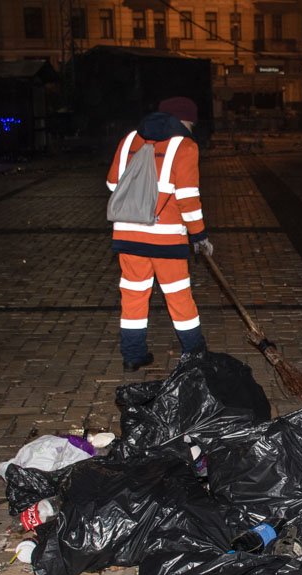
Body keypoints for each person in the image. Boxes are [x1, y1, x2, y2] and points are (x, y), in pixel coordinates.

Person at [106, 96, 211, 371]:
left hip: (128, 235)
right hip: (166, 238)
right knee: (178, 296)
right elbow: (188, 198)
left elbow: (111, 183)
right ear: (186, 121)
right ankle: (195, 354)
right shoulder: (185, 146)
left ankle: (132, 355)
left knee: (133, 295)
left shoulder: (129, 140)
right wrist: (199, 235)